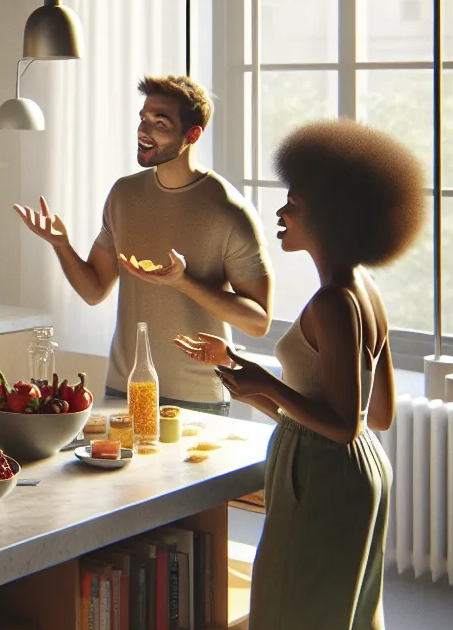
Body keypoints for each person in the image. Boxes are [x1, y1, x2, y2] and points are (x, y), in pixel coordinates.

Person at [175, 119, 424, 630]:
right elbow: (378, 414)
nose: (282, 213)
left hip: (326, 481)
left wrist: (264, 382)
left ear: (330, 217)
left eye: (295, 204)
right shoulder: (363, 293)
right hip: (358, 479)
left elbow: (342, 424)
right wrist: (251, 385)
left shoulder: (331, 304)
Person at [14, 75, 270, 413]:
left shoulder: (228, 210)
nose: (143, 130)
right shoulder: (124, 194)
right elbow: (94, 291)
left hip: (197, 397)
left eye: (160, 123)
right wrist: (61, 245)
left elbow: (258, 321)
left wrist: (184, 283)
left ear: (192, 134)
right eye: (143, 118)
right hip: (124, 390)